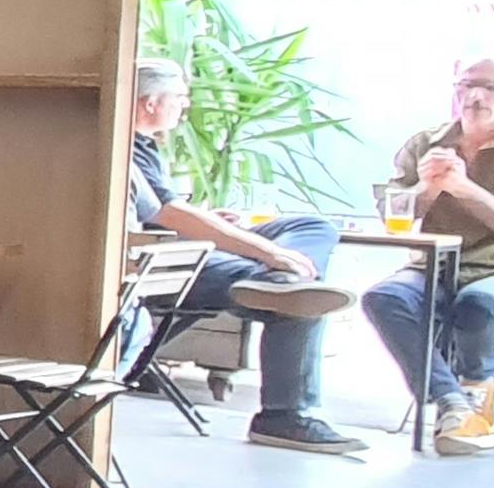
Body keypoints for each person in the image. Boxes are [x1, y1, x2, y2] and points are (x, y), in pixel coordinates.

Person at [126, 55, 361, 455]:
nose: (186, 105)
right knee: (296, 296)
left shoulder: (147, 147)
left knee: (312, 228)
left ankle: (282, 282)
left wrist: (218, 225)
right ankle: (285, 415)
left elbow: (164, 209)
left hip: (179, 240)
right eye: (180, 97)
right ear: (150, 102)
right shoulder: (121, 144)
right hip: (161, 256)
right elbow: (165, 214)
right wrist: (265, 252)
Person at [355, 57, 494, 453]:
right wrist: (426, 189)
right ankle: (453, 403)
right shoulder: (426, 143)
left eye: (490, 87)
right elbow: (392, 213)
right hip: (433, 265)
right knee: (384, 297)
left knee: (482, 303)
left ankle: (476, 403)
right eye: (465, 85)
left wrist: (465, 190)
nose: (475, 96)